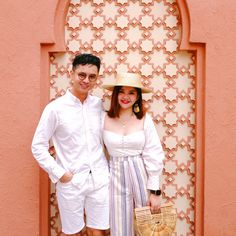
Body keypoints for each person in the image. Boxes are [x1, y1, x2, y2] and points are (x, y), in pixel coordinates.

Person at [31, 53, 110, 236]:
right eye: (81, 75)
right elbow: (38, 145)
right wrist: (60, 174)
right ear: (71, 74)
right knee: (72, 231)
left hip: (99, 179)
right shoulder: (55, 109)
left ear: (97, 78)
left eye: (92, 76)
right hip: (71, 181)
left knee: (97, 230)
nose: (86, 80)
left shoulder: (100, 106)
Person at [102, 72, 165, 236]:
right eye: (121, 91)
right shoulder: (103, 119)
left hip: (140, 176)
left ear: (138, 97)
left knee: (146, 228)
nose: (125, 97)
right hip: (114, 177)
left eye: (131, 93)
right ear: (115, 94)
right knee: (119, 226)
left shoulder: (145, 119)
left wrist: (155, 192)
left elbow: (154, 154)